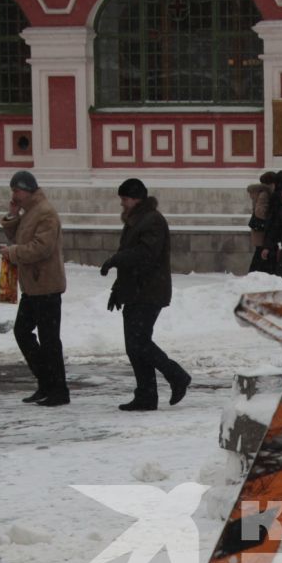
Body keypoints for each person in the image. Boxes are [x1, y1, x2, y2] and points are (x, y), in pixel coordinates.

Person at [100, 177, 190, 412]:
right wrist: (117, 289)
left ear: (136, 199)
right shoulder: (137, 220)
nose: (122, 203)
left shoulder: (152, 221)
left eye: (125, 199)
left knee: (139, 343)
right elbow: (130, 255)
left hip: (149, 291)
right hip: (136, 291)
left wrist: (115, 260)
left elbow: (144, 254)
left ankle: (177, 375)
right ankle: (146, 395)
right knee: (134, 345)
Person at [0, 170, 69, 406]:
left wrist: (13, 253)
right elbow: (17, 236)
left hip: (47, 284)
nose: (14, 195)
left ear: (28, 190)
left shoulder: (45, 213)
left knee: (49, 340)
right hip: (33, 286)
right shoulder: (30, 212)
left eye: (17, 191)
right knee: (23, 332)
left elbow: (42, 247)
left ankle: (58, 389)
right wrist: (12, 215)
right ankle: (47, 382)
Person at [245, 171, 278, 275]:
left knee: (260, 254)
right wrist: (270, 219)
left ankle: (255, 275)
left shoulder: (259, 192)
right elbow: (259, 211)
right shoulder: (265, 193)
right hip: (261, 230)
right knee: (261, 254)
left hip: (258, 229)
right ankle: (254, 276)